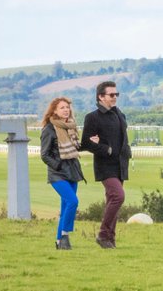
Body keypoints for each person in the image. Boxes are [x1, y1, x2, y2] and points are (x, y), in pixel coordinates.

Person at [39, 96, 101, 250]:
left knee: (66, 205)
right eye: (62, 107)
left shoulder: (71, 127)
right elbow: (44, 154)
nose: (66, 110)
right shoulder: (49, 129)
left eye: (67, 107)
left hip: (72, 171)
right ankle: (65, 235)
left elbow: (76, 147)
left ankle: (59, 242)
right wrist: (58, 165)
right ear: (54, 110)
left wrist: (91, 142)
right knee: (73, 202)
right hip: (58, 174)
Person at [80, 81, 131, 249]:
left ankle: (110, 239)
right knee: (118, 196)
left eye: (117, 94)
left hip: (120, 165)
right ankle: (103, 234)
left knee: (112, 200)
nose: (115, 97)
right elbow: (85, 143)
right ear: (101, 97)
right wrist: (106, 149)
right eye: (111, 95)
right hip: (105, 166)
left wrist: (127, 153)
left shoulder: (119, 114)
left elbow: (123, 138)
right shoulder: (92, 117)